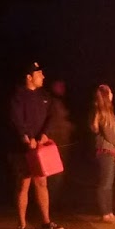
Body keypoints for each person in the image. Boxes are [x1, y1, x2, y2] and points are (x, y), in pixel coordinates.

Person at [9, 61, 62, 229]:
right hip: (23, 149)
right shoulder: (18, 96)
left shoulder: (44, 96)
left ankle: (46, 222)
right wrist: (25, 137)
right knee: (23, 184)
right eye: (39, 74)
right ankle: (21, 224)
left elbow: (51, 117)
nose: (43, 77)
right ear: (29, 77)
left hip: (40, 148)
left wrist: (44, 135)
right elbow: (16, 119)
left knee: (42, 182)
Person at [89, 83, 115, 221]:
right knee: (105, 183)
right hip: (105, 151)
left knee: (109, 183)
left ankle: (110, 212)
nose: (113, 94)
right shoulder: (101, 113)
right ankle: (105, 213)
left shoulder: (108, 113)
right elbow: (108, 134)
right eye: (110, 92)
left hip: (110, 151)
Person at [44, 78, 74, 214]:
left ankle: (54, 202)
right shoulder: (51, 102)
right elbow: (51, 123)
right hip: (55, 144)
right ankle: (50, 204)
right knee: (54, 175)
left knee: (59, 175)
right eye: (59, 85)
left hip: (62, 143)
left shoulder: (60, 102)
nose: (62, 88)